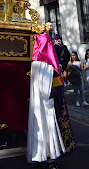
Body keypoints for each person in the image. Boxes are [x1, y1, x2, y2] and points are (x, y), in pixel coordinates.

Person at [27, 34, 75, 169]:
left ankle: (38, 155)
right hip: (47, 101)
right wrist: (52, 96)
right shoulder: (46, 65)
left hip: (39, 102)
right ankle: (49, 157)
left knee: (39, 127)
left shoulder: (34, 63)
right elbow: (50, 85)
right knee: (48, 129)